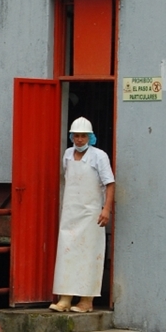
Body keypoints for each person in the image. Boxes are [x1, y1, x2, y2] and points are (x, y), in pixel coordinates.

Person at [49, 116, 115, 314]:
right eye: (76, 136)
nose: (79, 140)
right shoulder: (68, 154)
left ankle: (86, 301)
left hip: (91, 213)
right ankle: (65, 298)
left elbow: (110, 183)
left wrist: (106, 209)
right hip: (71, 212)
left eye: (83, 136)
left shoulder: (99, 156)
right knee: (67, 253)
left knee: (88, 255)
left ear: (90, 137)